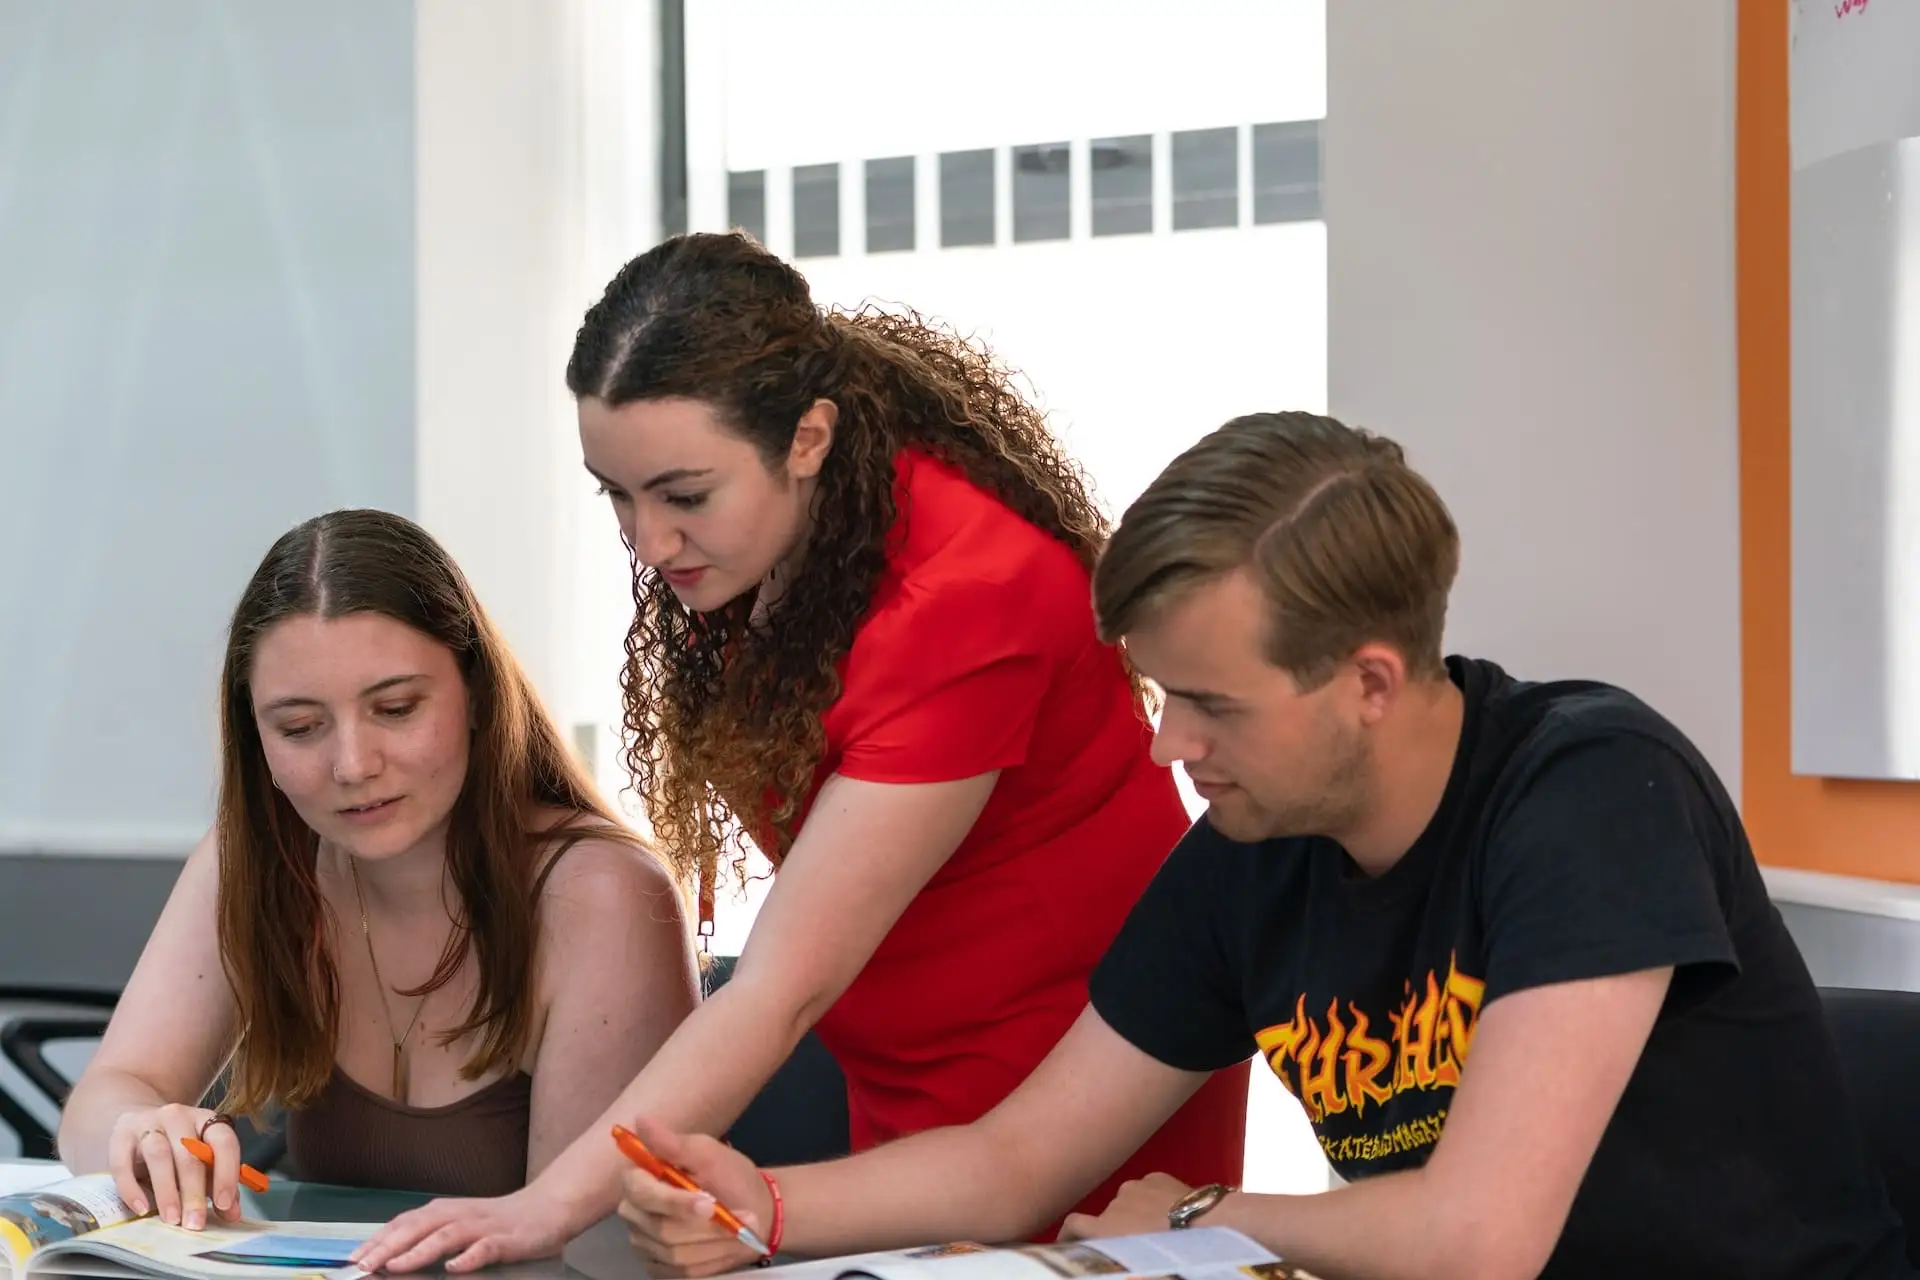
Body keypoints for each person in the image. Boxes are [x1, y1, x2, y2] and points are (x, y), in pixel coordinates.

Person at [613, 411, 1917, 1280]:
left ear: (1367, 680)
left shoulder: (1589, 791)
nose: (1171, 743)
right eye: (1164, 694)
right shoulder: (1254, 844)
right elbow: (1022, 1156)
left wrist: (1197, 1221)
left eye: (1214, 703)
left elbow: (1479, 1238)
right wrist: (765, 1209)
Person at [349, 232, 1248, 1273]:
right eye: (617, 494)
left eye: (684, 495)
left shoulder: (967, 599)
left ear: (809, 436)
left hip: (1070, 1059)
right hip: (897, 1048)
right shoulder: (788, 536)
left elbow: (779, 987)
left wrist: (540, 1207)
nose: (648, 542)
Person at [58, 509, 697, 1228]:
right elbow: (103, 1099)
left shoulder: (601, 896)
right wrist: (139, 1131)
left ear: (478, 694)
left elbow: (579, 1250)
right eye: (300, 728)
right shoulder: (253, 857)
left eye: (395, 709)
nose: (354, 766)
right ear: (255, 737)